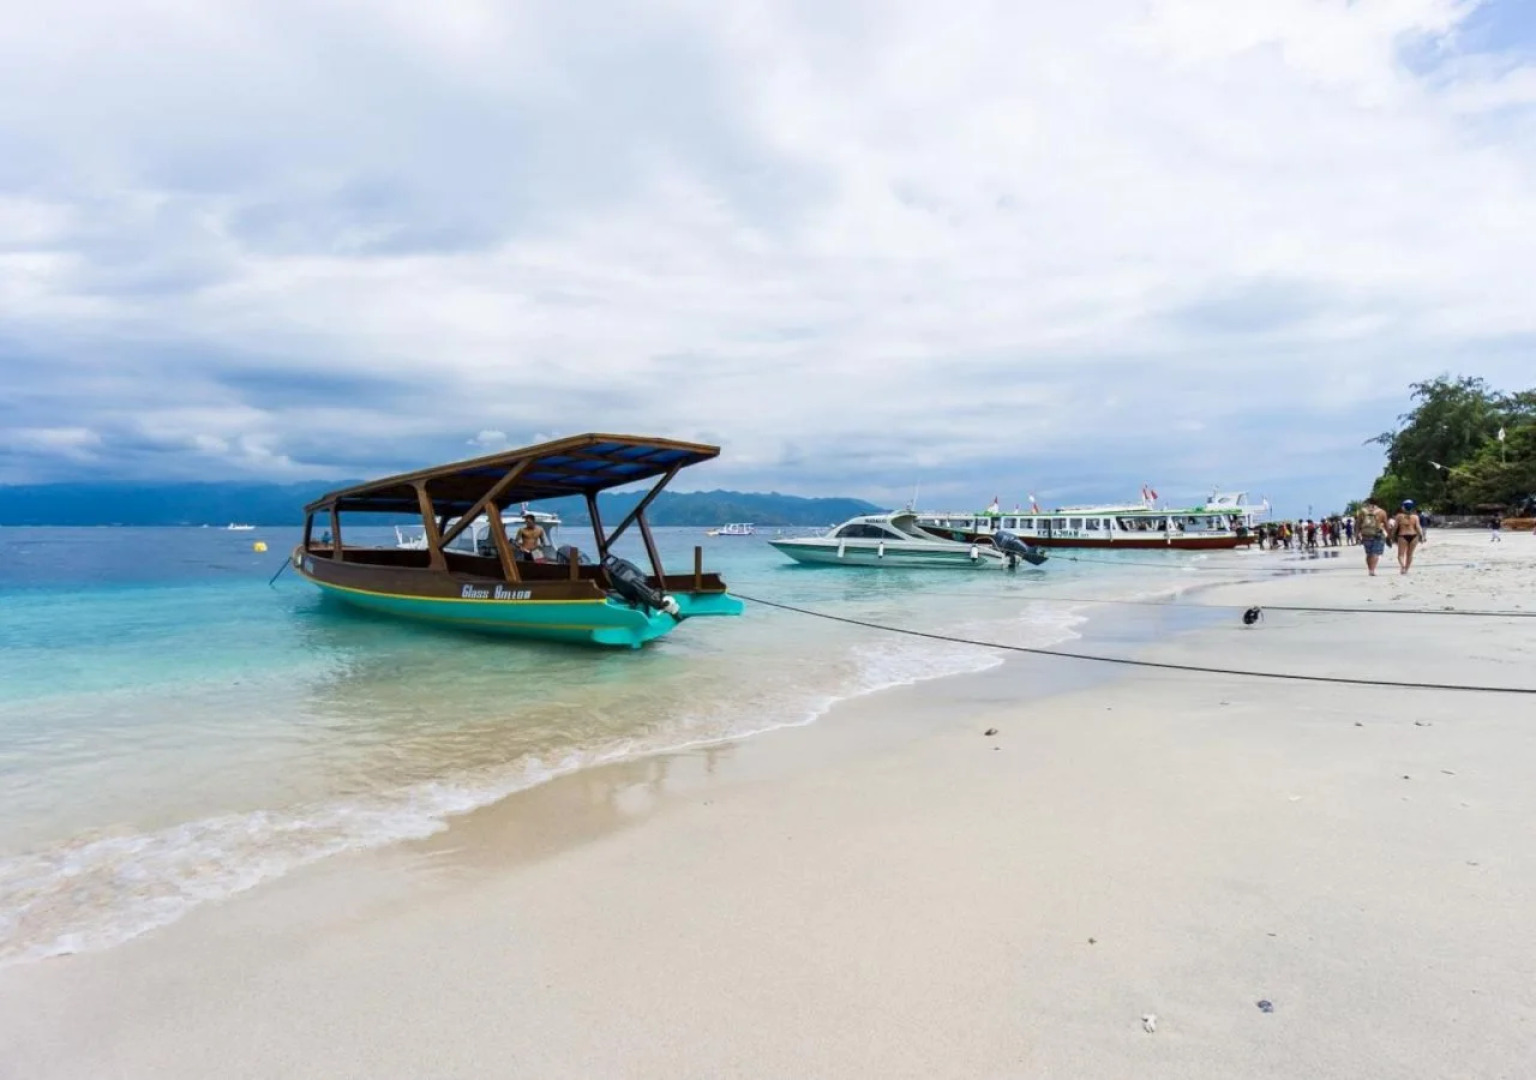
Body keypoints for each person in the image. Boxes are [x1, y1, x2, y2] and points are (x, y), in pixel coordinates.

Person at [1355, 498, 1388, 576]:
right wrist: (1389, 535)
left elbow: (1358, 524)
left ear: (1368, 503)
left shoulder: (1362, 511)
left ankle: (1370, 569)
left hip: (1366, 534)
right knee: (1375, 553)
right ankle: (1372, 570)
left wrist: (1357, 534)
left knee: (1369, 553)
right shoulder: (1382, 512)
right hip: (1378, 534)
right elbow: (1386, 524)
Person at [1394, 499, 1424, 574]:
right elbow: (1418, 527)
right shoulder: (1415, 517)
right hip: (1414, 536)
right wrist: (1422, 536)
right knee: (1410, 554)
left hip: (1402, 536)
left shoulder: (1399, 516)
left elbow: (1395, 527)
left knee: (1400, 554)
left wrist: (1391, 536)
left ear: (1403, 507)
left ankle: (1403, 567)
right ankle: (1406, 569)